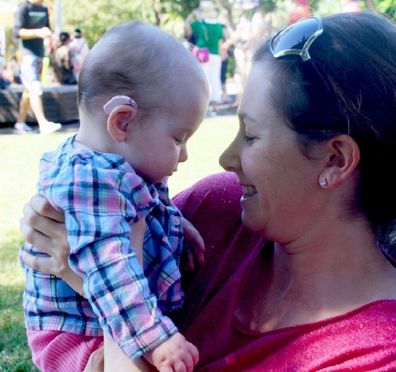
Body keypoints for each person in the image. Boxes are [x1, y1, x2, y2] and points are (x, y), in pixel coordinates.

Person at [20, 12, 396, 371]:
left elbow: (90, 257)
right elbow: (59, 231)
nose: (225, 158)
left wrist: (92, 280)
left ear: (335, 159)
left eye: (250, 135)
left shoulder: (373, 352)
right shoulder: (220, 208)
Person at [20, 21, 208, 372]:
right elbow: (112, 269)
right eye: (179, 139)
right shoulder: (89, 178)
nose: (183, 156)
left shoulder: (120, 166)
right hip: (76, 335)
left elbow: (146, 202)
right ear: (123, 122)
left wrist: (176, 223)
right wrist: (156, 340)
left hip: (107, 321)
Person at [13, 0, 62, 135]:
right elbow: (17, 32)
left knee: (28, 90)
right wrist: (38, 32)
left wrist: (51, 36)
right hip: (27, 55)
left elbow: (47, 29)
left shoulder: (44, 9)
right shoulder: (23, 8)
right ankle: (43, 124)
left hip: (40, 55)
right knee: (34, 87)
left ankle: (20, 123)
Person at [185, 1, 227, 109]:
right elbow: (220, 42)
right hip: (216, 55)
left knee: (206, 79)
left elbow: (186, 28)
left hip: (204, 55)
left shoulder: (199, 25)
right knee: (215, 78)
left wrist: (193, 15)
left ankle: (206, 104)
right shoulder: (219, 26)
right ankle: (216, 105)